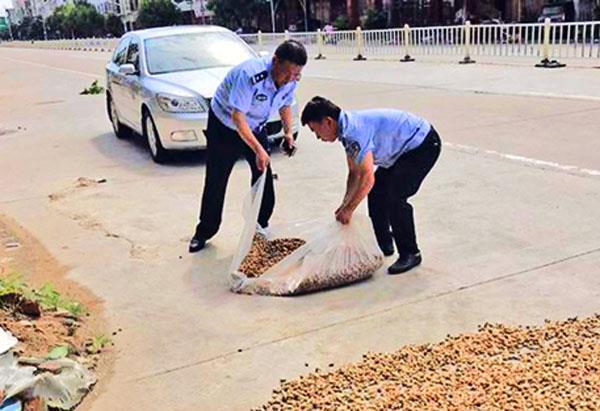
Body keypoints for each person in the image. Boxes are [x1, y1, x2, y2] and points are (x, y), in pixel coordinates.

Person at [189, 40, 308, 253]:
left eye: (296, 75)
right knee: (217, 178)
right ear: (275, 61)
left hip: (255, 125)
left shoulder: (291, 79)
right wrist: (259, 149)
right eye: (287, 73)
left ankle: (260, 226)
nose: (290, 79)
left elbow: (285, 104)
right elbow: (238, 117)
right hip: (225, 125)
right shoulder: (250, 75)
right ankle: (204, 231)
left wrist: (288, 133)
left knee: (264, 175)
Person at [301, 97, 441, 274]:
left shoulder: (354, 132)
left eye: (315, 131)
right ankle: (383, 243)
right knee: (377, 192)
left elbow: (367, 177)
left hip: (422, 146)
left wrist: (349, 210)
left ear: (328, 122)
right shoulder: (346, 131)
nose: (318, 137)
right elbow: (354, 173)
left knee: (395, 197)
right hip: (401, 152)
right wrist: (344, 205)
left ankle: (410, 253)